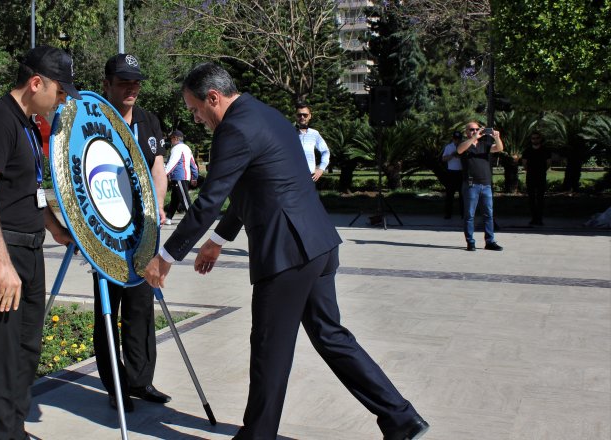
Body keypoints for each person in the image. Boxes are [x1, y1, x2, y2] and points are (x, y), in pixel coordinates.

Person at [144, 63, 429, 440]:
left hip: (288, 254)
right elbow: (255, 187)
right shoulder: (265, 114)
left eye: (196, 109)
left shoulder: (233, 128)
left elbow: (209, 200)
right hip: (318, 244)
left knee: (269, 349)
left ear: (213, 98)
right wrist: (218, 240)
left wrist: (165, 257)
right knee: (331, 336)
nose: (196, 118)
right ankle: (402, 418)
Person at [0, 45, 78, 440]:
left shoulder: (26, 123)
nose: (62, 99)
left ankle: (14, 430)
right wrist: (3, 264)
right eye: (60, 91)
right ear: (36, 82)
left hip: (27, 251)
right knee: (1, 361)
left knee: (26, 351)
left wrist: (56, 230)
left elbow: (27, 192)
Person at [90, 53, 171, 413]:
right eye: (124, 82)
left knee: (141, 308)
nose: (132, 88)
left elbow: (158, 170)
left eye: (135, 82)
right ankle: (115, 386)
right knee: (109, 310)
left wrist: (157, 208)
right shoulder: (93, 122)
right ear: (106, 84)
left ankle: (140, 380)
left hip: (143, 232)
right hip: (105, 232)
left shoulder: (147, 121)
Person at [457, 121, 504, 251]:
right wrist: (473, 138)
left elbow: (499, 148)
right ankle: (470, 242)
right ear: (466, 132)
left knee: (489, 214)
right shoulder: (465, 145)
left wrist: (496, 137)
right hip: (471, 185)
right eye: (471, 129)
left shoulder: (485, 144)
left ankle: (490, 241)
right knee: (469, 215)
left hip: (486, 185)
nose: (475, 131)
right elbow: (459, 150)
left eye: (477, 129)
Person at [163, 129, 198, 223]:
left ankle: (193, 219)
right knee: (175, 198)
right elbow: (193, 164)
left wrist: (163, 174)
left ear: (176, 138)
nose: (171, 140)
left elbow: (172, 163)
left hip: (179, 177)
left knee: (184, 198)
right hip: (185, 177)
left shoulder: (176, 148)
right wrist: (194, 177)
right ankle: (169, 218)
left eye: (171, 138)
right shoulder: (187, 148)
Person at [521, 131, 551, 226]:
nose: (535, 140)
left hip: (541, 176)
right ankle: (534, 218)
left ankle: (540, 218)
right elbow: (524, 163)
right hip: (530, 176)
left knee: (540, 198)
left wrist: (542, 170)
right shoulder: (527, 151)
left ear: (540, 139)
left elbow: (548, 163)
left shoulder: (545, 150)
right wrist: (529, 170)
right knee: (531, 198)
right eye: (533, 138)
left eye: (537, 138)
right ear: (531, 140)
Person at [294, 102, 330, 182]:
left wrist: (321, 169)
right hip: (291, 178)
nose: (302, 117)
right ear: (295, 116)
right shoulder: (289, 133)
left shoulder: (314, 134)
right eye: (299, 115)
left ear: (310, 116)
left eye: (305, 115)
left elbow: (325, 151)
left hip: (310, 178)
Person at [441, 131, 465, 219]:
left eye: (458, 139)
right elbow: (443, 158)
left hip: (461, 173)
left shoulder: (464, 146)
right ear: (453, 138)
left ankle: (463, 214)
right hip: (451, 173)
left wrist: (460, 156)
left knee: (462, 195)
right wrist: (452, 155)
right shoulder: (448, 147)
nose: (457, 141)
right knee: (449, 194)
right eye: (455, 139)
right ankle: (448, 214)